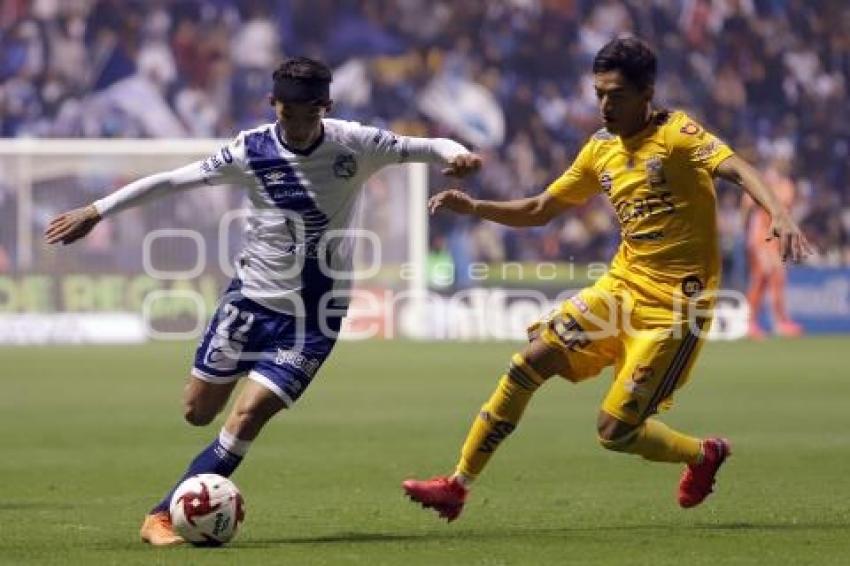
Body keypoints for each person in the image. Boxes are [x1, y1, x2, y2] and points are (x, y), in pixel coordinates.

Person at [44, 56, 481, 545]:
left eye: (305, 116)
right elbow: (172, 179)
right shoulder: (249, 150)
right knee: (196, 410)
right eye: (284, 114)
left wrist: (456, 152)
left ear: (325, 107)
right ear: (272, 104)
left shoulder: (355, 143)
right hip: (250, 301)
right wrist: (96, 211)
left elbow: (425, 146)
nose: (294, 126)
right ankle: (191, 491)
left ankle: (163, 515)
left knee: (248, 415)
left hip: (316, 315)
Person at [402, 37, 812, 522]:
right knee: (527, 364)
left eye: (615, 94)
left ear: (646, 93)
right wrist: (474, 208)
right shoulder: (600, 151)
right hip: (620, 290)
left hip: (676, 309)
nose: (604, 105)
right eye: (598, 93)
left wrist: (780, 215)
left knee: (613, 432)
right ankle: (457, 485)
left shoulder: (679, 135)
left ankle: (704, 455)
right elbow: (540, 210)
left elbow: (738, 169)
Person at [745, 156, 803, 338]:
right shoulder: (762, 183)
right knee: (769, 277)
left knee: (765, 279)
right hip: (761, 238)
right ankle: (774, 322)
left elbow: (787, 206)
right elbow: (747, 205)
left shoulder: (785, 185)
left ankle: (756, 322)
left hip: (773, 239)